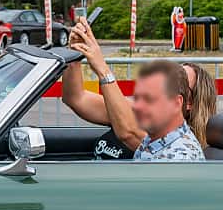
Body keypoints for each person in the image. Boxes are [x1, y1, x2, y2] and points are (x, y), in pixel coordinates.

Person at [67, 21, 204, 161]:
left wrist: (102, 69)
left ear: (184, 102)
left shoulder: (179, 153)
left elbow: (127, 131)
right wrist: (74, 52)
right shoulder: (152, 133)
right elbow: (76, 98)